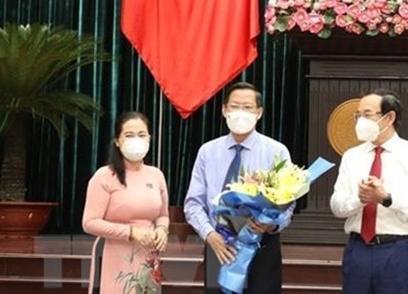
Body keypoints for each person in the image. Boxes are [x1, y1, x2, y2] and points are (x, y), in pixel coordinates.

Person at [184, 81, 293, 294]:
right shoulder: (208, 152)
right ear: (224, 110)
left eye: (247, 107)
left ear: (259, 113)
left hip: (262, 245)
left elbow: (288, 203)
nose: (240, 113)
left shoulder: (277, 152)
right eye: (234, 106)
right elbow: (193, 203)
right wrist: (210, 235)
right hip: (219, 244)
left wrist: (273, 225)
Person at [330, 89, 408, 293]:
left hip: (397, 250)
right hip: (358, 248)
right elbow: (336, 205)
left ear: (389, 117)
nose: (360, 121)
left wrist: (387, 199)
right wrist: (360, 199)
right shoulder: (352, 156)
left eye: (367, 115)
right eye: (357, 115)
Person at [82, 111, 169, 294]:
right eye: (129, 135)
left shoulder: (156, 175)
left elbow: (162, 215)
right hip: (113, 254)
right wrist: (130, 232)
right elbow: (89, 223)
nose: (136, 139)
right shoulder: (104, 176)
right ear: (117, 141)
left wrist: (162, 230)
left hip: (147, 256)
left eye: (141, 135)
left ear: (149, 138)